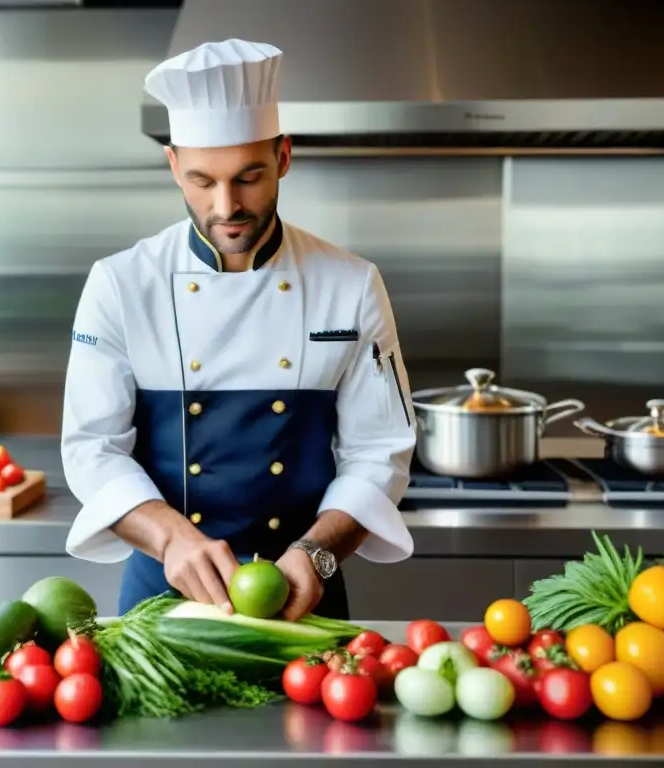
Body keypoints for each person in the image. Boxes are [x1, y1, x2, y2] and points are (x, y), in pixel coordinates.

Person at [62, 39, 416, 622]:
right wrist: (171, 537)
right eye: (202, 181)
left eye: (248, 176)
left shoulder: (351, 284)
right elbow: (91, 449)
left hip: (303, 601)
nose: (227, 206)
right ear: (174, 165)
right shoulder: (121, 285)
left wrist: (318, 553)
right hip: (161, 607)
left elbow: (380, 451)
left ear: (283, 155)